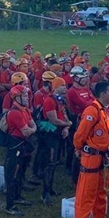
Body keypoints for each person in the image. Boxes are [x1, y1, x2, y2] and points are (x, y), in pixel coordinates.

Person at [73, 81, 109, 218]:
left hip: (102, 158)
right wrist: (78, 148)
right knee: (86, 195)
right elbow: (80, 134)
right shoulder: (92, 110)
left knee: (101, 193)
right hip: (91, 158)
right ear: (102, 94)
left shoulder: (104, 111)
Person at [2, 86, 37, 216]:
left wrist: (31, 129)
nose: (28, 98)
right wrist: (32, 129)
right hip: (15, 147)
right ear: (17, 97)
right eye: (25, 95)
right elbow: (27, 131)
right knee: (13, 175)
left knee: (20, 171)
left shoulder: (25, 110)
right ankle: (10, 205)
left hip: (21, 146)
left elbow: (32, 126)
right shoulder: (16, 113)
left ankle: (17, 196)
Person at [39, 77, 71, 205]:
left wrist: (66, 127)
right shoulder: (49, 101)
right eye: (62, 85)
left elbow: (64, 114)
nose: (65, 88)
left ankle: (49, 188)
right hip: (49, 135)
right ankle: (45, 192)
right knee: (50, 163)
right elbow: (54, 120)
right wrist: (67, 124)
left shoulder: (60, 100)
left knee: (53, 163)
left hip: (58, 134)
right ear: (56, 87)